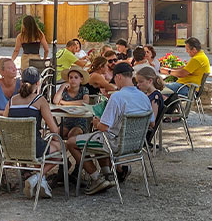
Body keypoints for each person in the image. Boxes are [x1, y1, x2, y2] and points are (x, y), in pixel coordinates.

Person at [66, 62, 152, 195]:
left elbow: (104, 127)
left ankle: (96, 178)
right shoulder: (144, 97)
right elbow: (151, 122)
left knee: (72, 142)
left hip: (113, 142)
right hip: (135, 144)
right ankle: (107, 174)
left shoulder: (117, 97)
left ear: (118, 77)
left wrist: (96, 122)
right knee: (99, 137)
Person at [6, 66, 61, 199]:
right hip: (33, 148)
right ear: (38, 83)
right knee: (60, 150)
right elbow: (54, 129)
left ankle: (40, 182)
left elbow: (5, 122)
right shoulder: (39, 100)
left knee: (43, 145)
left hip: (13, 149)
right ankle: (36, 177)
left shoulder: (12, 100)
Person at [52, 66, 90, 138]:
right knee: (56, 135)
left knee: (72, 135)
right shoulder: (65, 90)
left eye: (76, 78)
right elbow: (55, 101)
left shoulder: (83, 90)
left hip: (80, 122)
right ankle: (61, 148)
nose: (73, 80)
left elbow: (85, 102)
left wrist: (65, 103)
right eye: (71, 77)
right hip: (66, 122)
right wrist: (62, 88)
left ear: (81, 79)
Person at [135, 66, 165, 142]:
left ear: (150, 81)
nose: (138, 85)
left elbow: (152, 122)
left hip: (145, 132)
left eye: (141, 82)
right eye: (137, 82)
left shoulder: (155, 96)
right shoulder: (147, 94)